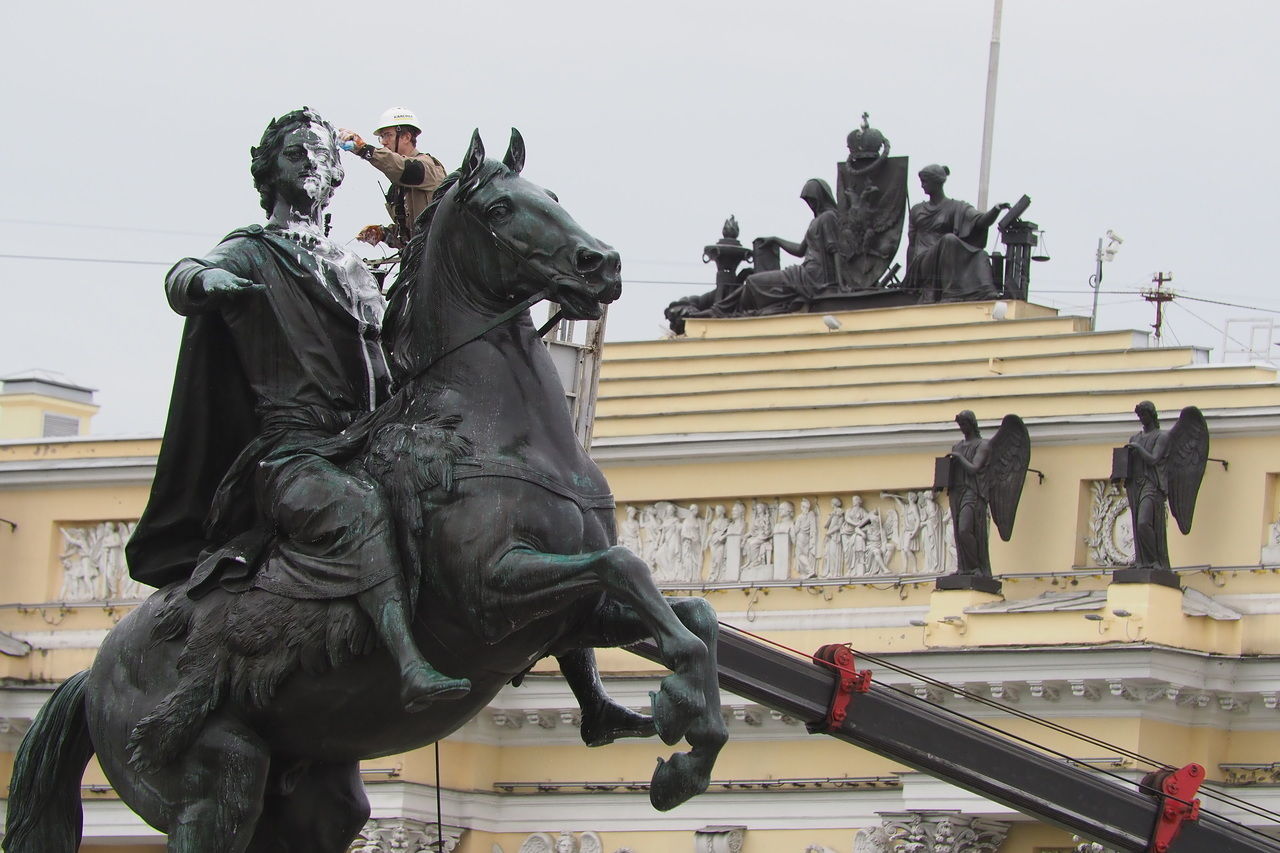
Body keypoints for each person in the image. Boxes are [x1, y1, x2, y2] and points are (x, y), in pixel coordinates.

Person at [127, 107, 469, 712]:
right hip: (293, 452)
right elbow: (186, 274)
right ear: (269, 172)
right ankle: (410, 664)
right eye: (295, 153)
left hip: (363, 437)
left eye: (321, 154)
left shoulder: (352, 265)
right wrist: (206, 285)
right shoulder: (252, 251)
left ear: (336, 175)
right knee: (355, 505)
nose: (311, 161)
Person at [712, 178, 841, 316]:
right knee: (754, 282)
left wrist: (840, 284)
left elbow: (835, 250)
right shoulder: (816, 221)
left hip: (813, 277)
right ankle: (720, 308)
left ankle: (720, 310)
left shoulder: (828, 217)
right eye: (808, 201)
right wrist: (776, 240)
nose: (811, 204)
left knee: (753, 282)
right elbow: (800, 250)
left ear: (822, 197)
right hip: (803, 273)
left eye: (813, 199)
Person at [339, 107, 447, 249]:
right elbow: (409, 239)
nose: (383, 142)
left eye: (388, 135)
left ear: (406, 137)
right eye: (382, 137)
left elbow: (402, 167)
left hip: (442, 259)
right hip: (421, 261)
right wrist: (384, 234)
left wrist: (365, 150)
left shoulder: (429, 168)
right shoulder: (397, 188)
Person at [900, 164, 1008, 303]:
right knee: (949, 239)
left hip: (946, 257)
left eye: (925, 181)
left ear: (937, 182)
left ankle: (985, 291)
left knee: (980, 253)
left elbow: (981, 221)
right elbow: (912, 245)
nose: (922, 186)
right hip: (923, 262)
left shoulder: (956, 207)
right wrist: (909, 276)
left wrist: (996, 209)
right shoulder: (917, 210)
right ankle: (951, 294)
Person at [1124, 401, 1174, 571]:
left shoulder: (1162, 437)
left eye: (1144, 415)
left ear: (1152, 415)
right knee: (1136, 523)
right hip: (1135, 486)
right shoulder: (1135, 438)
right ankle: (1142, 561)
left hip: (1151, 485)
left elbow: (1154, 459)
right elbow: (1128, 463)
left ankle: (1154, 560)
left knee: (1143, 523)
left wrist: (1137, 448)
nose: (1142, 418)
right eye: (1139, 416)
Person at [946, 410, 994, 576]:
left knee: (964, 530)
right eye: (960, 425)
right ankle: (963, 568)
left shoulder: (983, 445)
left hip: (972, 493)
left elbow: (974, 468)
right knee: (958, 533)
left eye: (964, 424)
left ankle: (976, 567)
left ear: (972, 424)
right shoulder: (957, 446)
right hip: (956, 492)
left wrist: (958, 457)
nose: (962, 428)